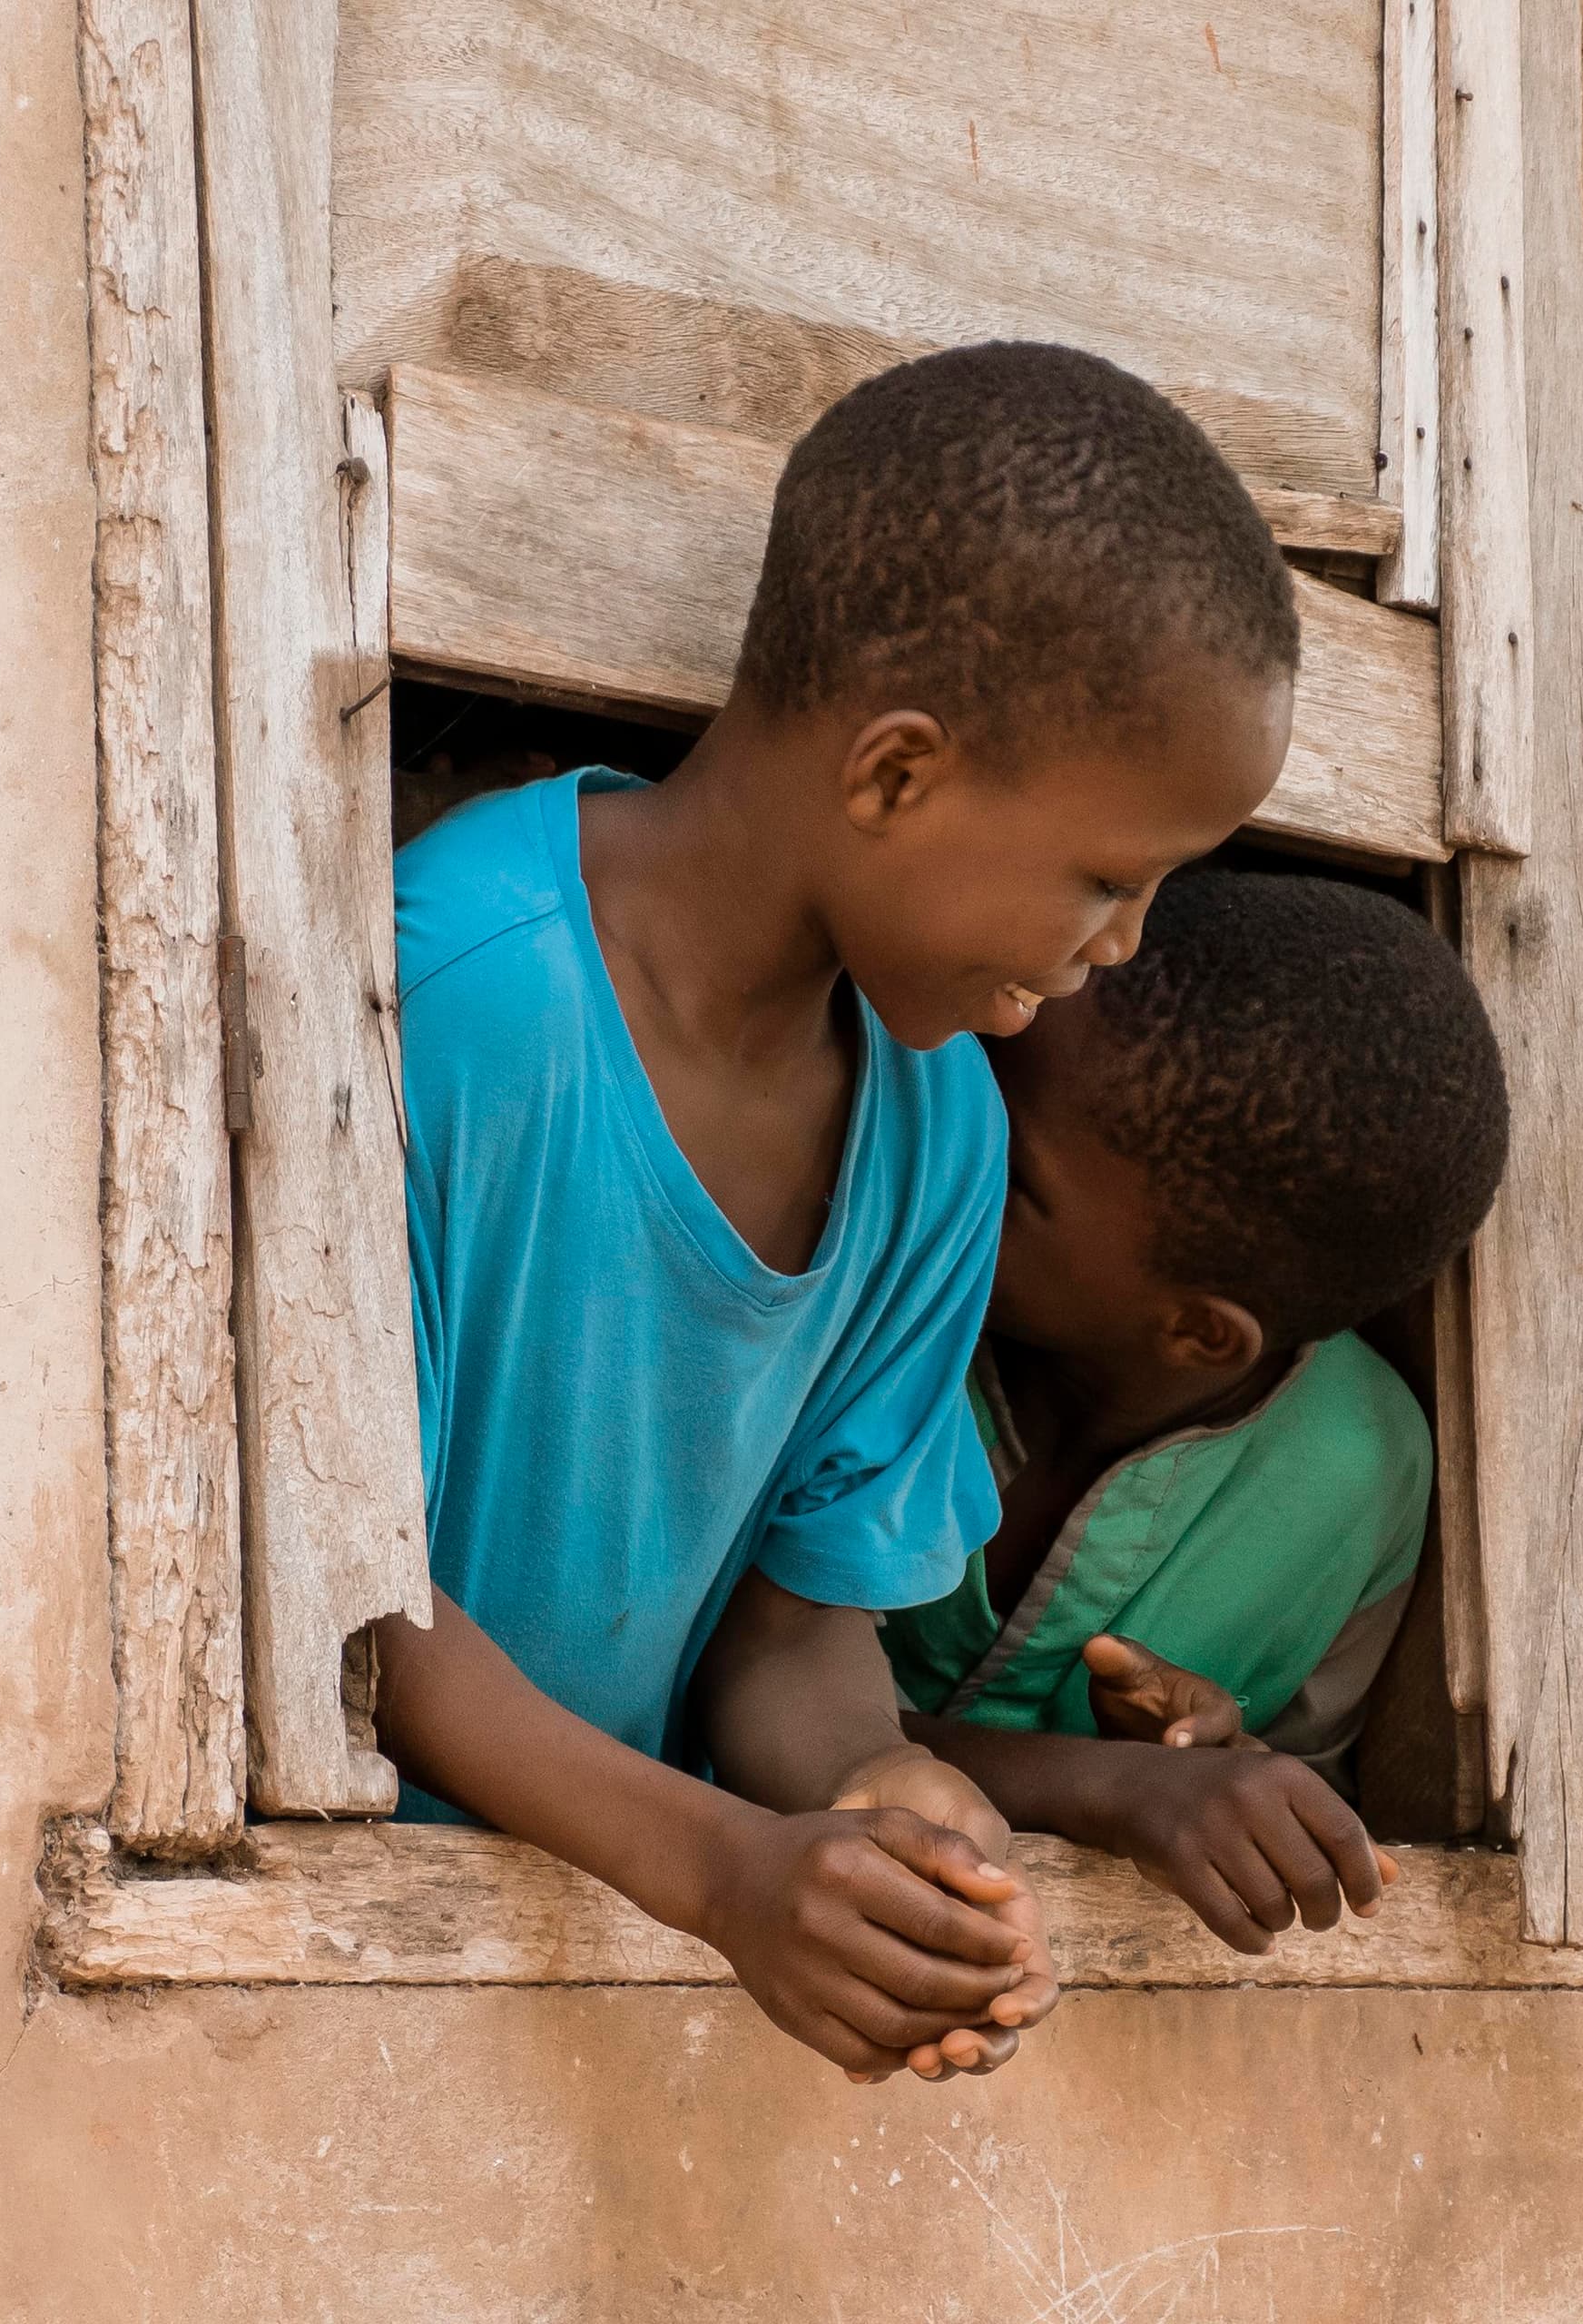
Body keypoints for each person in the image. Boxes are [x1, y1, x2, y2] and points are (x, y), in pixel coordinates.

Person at [371, 344, 1297, 2083]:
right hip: (334, 1945)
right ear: (892, 777)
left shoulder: (937, 1123)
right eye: (1109, 876)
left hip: (559, 2010)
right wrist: (725, 1871)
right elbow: (362, 1609)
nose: (1128, 949)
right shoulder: (457, 1003)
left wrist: (884, 1811)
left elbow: (797, 1640)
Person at [880, 868, 1510, 1956]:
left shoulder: (1361, 1474)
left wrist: (1225, 1767)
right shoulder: (876, 1289)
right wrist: (1108, 1787)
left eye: (1012, 1174)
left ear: (1202, 1334)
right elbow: (735, 1695)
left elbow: (1318, 1815)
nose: (945, 1146)